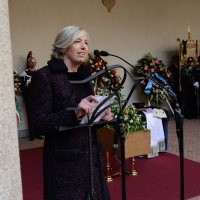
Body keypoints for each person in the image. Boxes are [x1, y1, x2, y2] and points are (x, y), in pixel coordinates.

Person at [31, 26, 113, 200]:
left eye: (86, 43)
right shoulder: (45, 76)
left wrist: (102, 116)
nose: (84, 47)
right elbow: (39, 122)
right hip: (65, 166)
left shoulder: (84, 76)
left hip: (92, 164)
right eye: (77, 42)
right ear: (62, 47)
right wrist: (74, 113)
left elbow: (87, 117)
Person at [19, 51, 43, 141]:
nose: (33, 63)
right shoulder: (24, 74)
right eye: (31, 62)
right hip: (29, 98)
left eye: (34, 62)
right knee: (30, 116)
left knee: (38, 115)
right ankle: (32, 134)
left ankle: (38, 133)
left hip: (38, 99)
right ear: (28, 63)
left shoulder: (39, 73)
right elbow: (22, 87)